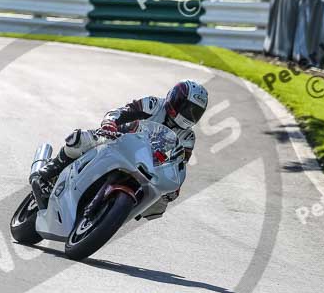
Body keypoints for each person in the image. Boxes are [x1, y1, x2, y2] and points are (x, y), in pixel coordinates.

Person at [35, 80, 209, 219]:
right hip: (120, 140)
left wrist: (174, 186)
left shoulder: (188, 137)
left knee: (160, 204)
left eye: (195, 112)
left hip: (148, 166)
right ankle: (50, 170)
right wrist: (110, 123)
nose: (189, 115)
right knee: (79, 139)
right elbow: (122, 112)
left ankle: (115, 212)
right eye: (186, 108)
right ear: (175, 98)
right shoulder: (153, 105)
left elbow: (179, 164)